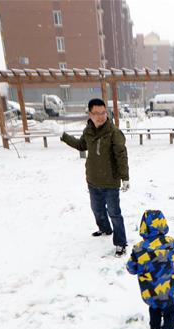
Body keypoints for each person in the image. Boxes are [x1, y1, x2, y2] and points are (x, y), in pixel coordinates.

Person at [60, 98, 130, 257]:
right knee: (97, 209)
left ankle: (120, 243)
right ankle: (105, 229)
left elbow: (121, 156)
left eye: (103, 112)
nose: (101, 116)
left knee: (114, 213)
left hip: (110, 182)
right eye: (97, 113)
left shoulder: (113, 133)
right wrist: (63, 135)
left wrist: (125, 177)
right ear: (90, 114)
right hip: (92, 180)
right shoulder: (89, 131)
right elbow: (80, 146)